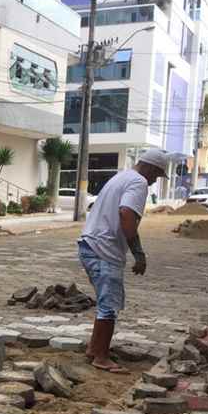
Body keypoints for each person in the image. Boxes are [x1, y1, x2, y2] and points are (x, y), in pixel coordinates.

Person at [78, 148, 170, 373]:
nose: (152, 182)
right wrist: (138, 253)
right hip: (104, 249)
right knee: (109, 306)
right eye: (156, 175)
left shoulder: (122, 176)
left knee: (104, 303)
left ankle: (94, 349)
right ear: (149, 167)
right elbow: (126, 214)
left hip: (91, 245)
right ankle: (101, 356)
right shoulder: (138, 182)